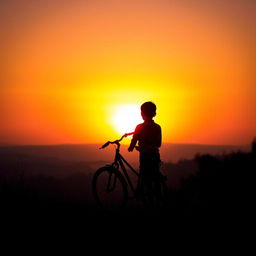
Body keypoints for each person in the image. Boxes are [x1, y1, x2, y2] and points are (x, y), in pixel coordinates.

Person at [128, 101, 162, 204]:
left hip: (145, 155)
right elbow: (158, 143)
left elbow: (134, 139)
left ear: (142, 113)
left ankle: (143, 195)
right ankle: (158, 197)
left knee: (144, 173)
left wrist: (131, 147)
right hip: (155, 154)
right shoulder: (157, 127)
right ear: (154, 114)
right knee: (155, 174)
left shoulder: (139, 127)